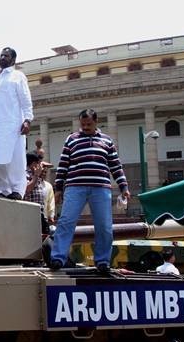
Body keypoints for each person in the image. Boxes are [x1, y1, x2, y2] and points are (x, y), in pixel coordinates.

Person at [50, 108, 130, 273]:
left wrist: (123, 186)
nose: (85, 127)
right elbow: (63, 165)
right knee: (66, 222)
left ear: (96, 122)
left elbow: (115, 166)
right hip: (74, 187)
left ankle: (102, 261)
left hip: (100, 188)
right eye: (83, 124)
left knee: (104, 226)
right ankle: (57, 258)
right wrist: (58, 189)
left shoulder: (107, 141)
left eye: (89, 124)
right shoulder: (72, 139)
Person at [0, 47, 33, 200]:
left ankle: (18, 190)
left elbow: (26, 100)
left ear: (13, 60)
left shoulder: (17, 76)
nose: (2, 58)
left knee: (15, 159)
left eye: (6, 56)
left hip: (12, 124)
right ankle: (5, 190)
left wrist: (27, 119)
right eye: (1, 55)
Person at [24, 152, 49, 234]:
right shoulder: (25, 174)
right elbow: (27, 189)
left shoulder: (36, 174)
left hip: (40, 212)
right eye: (38, 164)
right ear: (34, 163)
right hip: (30, 213)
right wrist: (35, 176)